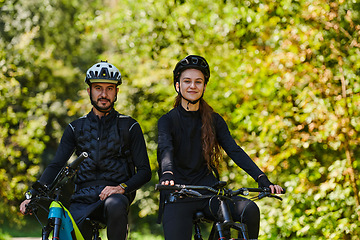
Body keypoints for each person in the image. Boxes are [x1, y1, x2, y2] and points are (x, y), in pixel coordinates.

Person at [20, 61, 152, 240]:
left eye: (109, 88)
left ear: (116, 92)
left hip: (115, 197)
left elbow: (144, 172)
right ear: (89, 91)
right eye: (98, 88)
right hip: (82, 199)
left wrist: (122, 188)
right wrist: (32, 194)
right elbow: (57, 164)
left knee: (115, 204)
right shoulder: (75, 128)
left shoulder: (129, 126)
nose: (104, 94)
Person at [157, 55, 283, 240]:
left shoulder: (214, 120)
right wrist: (167, 174)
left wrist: (261, 178)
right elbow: (165, 149)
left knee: (249, 210)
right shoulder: (167, 120)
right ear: (178, 86)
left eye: (198, 82)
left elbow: (234, 150)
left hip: (209, 193)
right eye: (187, 81)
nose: (193, 86)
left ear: (204, 86)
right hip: (179, 194)